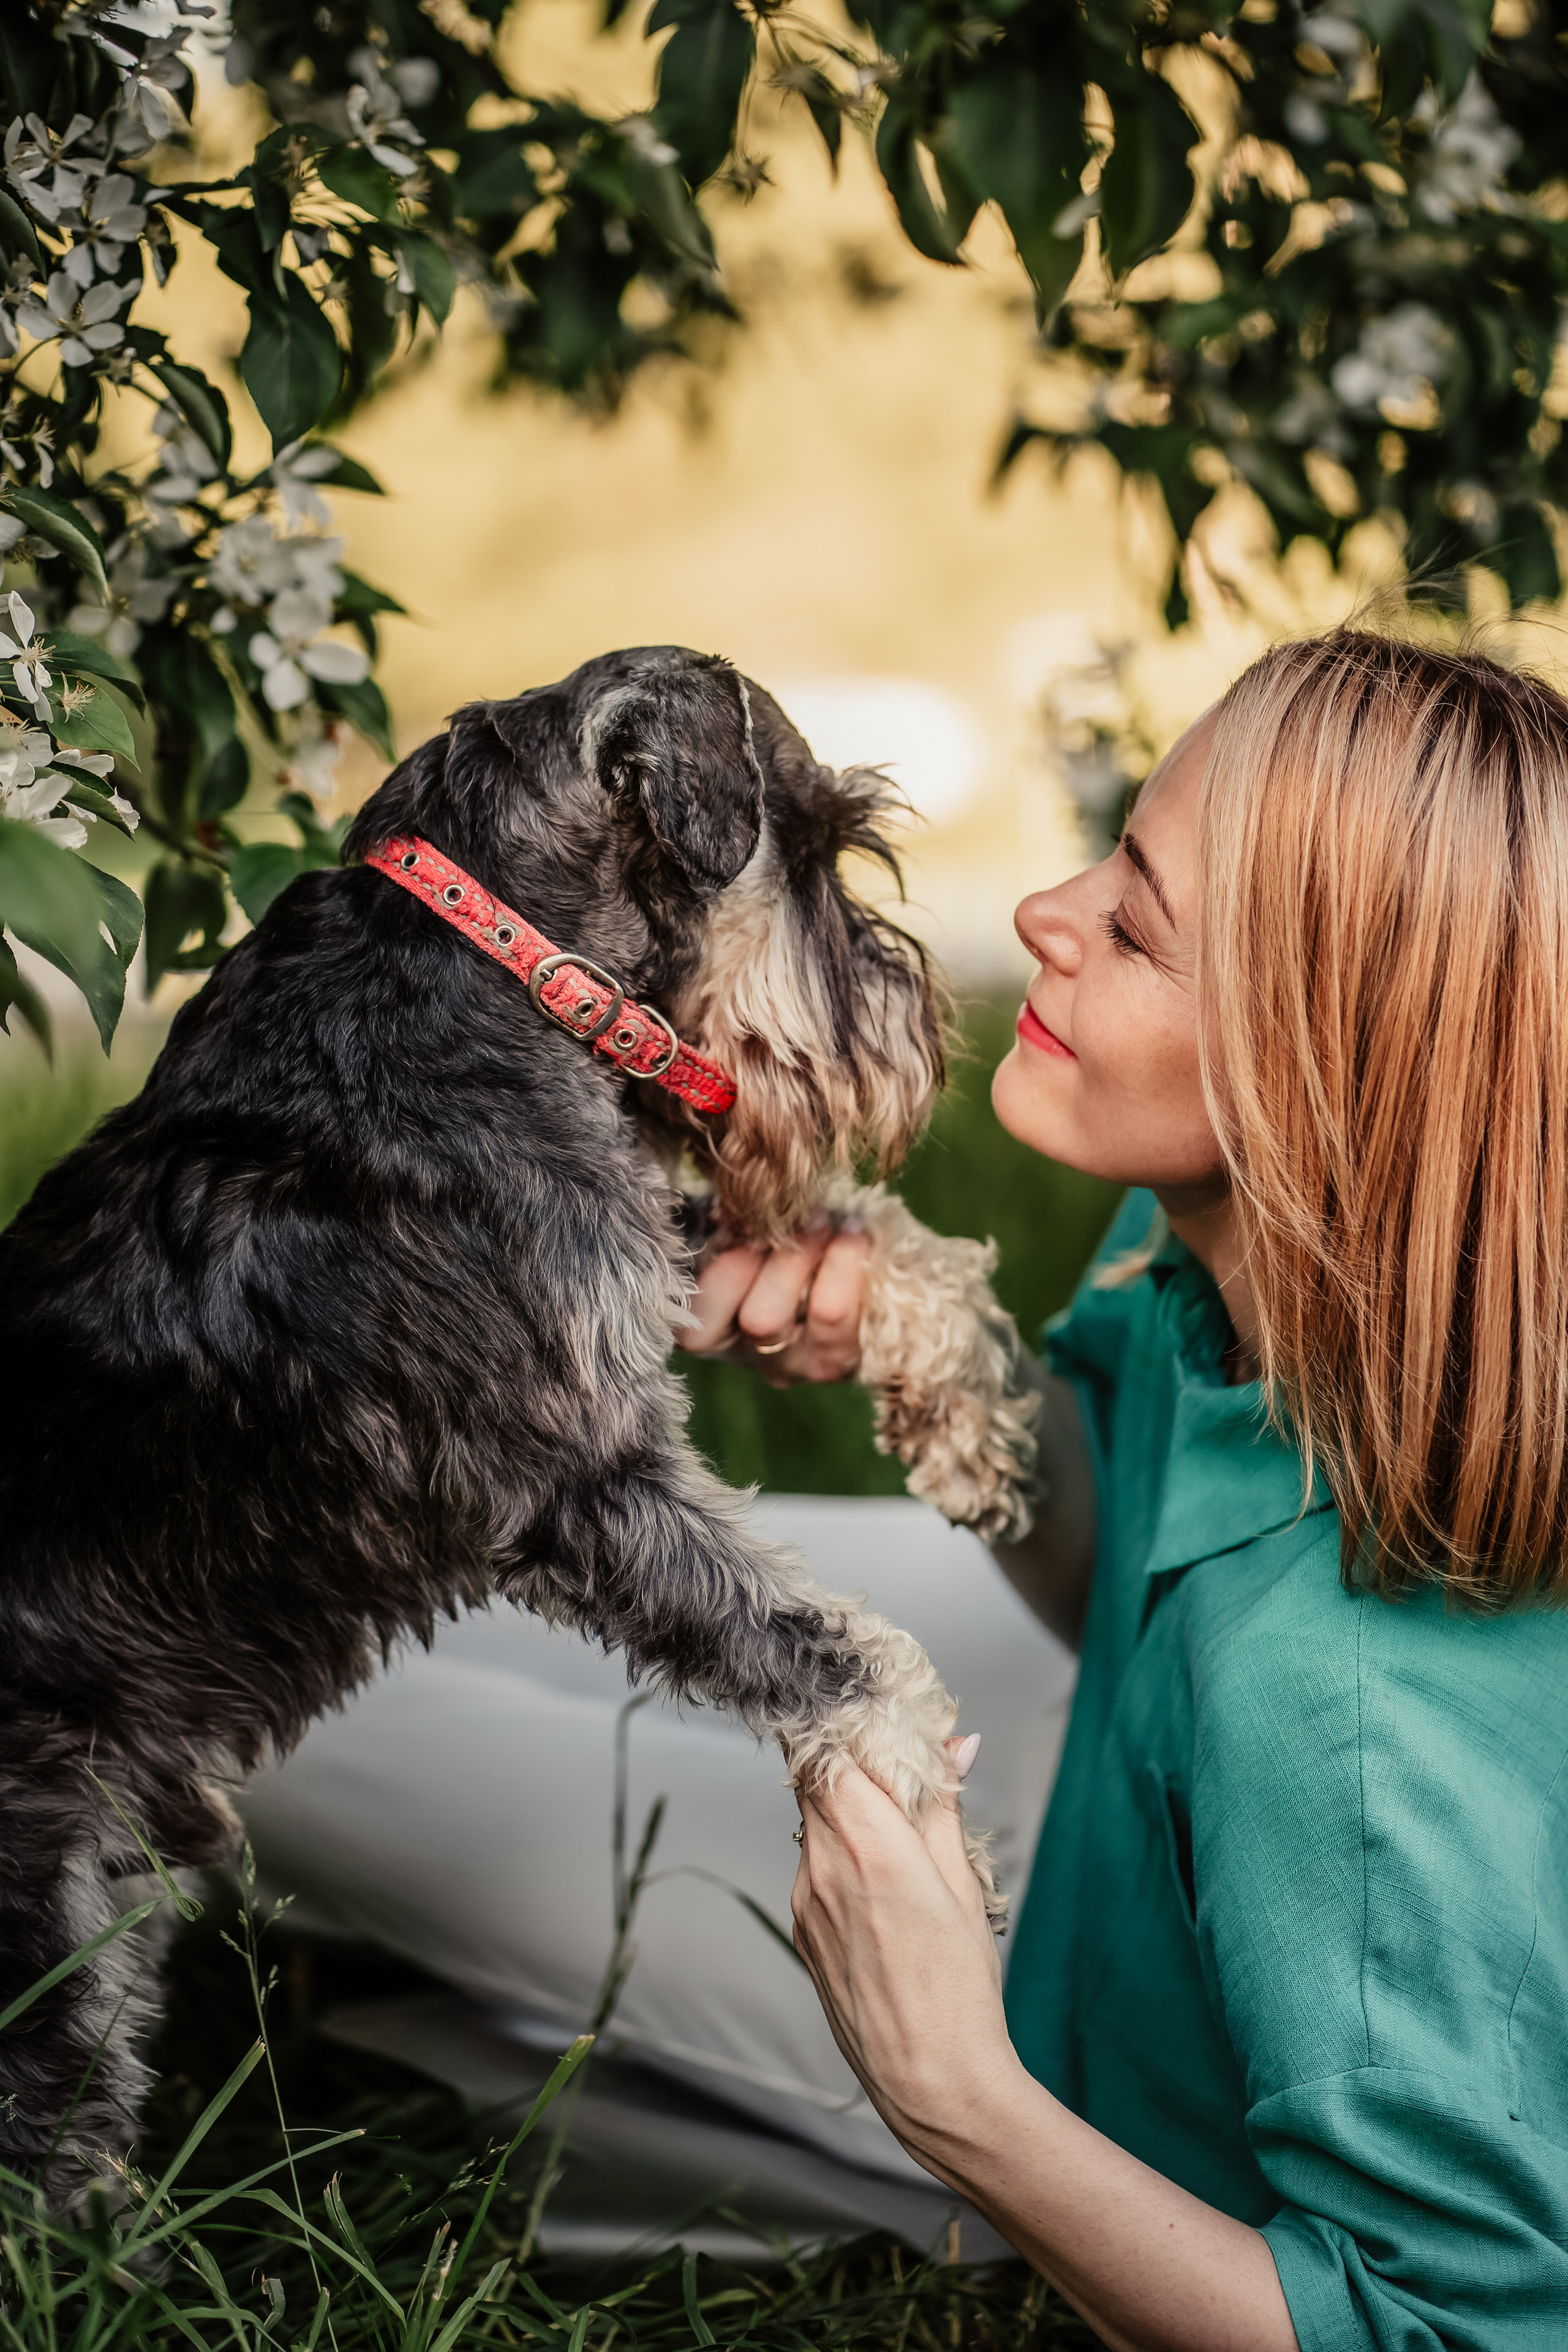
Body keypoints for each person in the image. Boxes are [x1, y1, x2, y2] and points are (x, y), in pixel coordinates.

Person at [678, 628, 1568, 2352]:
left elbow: (1461, 2334)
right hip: (1116, 1775)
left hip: (1052, 2023)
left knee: (317, 1727)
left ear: (1326, 1075)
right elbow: (1136, 1567)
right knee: (440, 1586)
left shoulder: (1351, 1724)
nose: (1046, 916)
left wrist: (954, 2089)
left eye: (1139, 928)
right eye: (1121, 853)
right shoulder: (1245, 1248)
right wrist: (923, 1345)